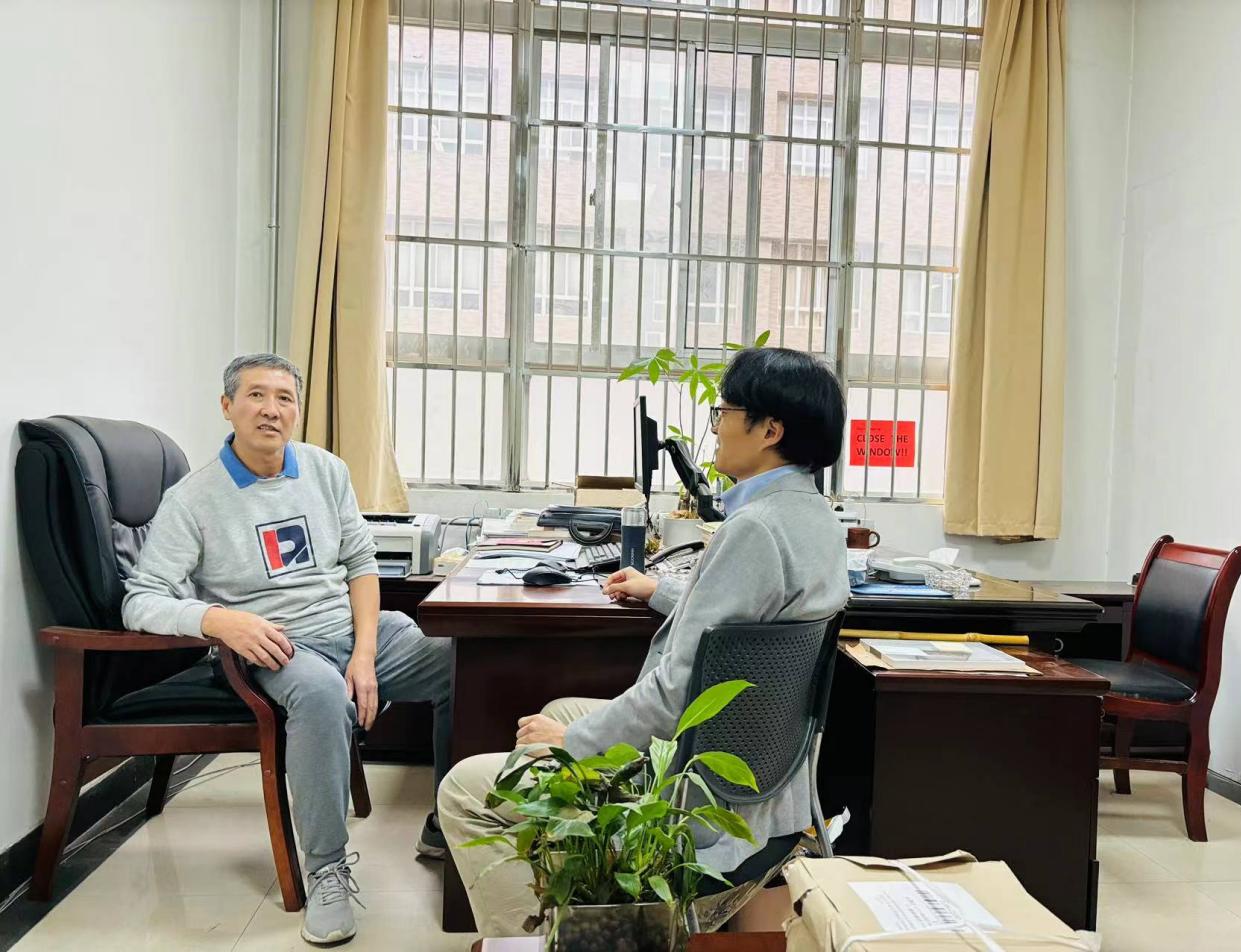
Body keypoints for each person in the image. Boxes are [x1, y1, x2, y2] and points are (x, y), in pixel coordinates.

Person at [438, 346, 851, 938]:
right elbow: (743, 628)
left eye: (724, 413)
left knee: (465, 789)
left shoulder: (755, 530)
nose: (716, 428)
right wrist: (664, 589)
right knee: (559, 710)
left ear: (770, 430)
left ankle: (552, 940)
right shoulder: (815, 519)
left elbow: (676, 693)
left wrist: (574, 744)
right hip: (769, 782)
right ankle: (592, 906)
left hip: (701, 794)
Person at [122, 353, 453, 946]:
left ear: (297, 410)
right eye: (256, 395)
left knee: (463, 664)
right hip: (277, 648)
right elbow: (140, 600)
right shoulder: (193, 499)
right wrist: (218, 619)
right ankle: (326, 870)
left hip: (353, 631)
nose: (271, 409)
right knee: (322, 695)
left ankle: (446, 822)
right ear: (227, 406)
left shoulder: (326, 470)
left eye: (284, 398)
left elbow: (361, 562)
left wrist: (364, 654)